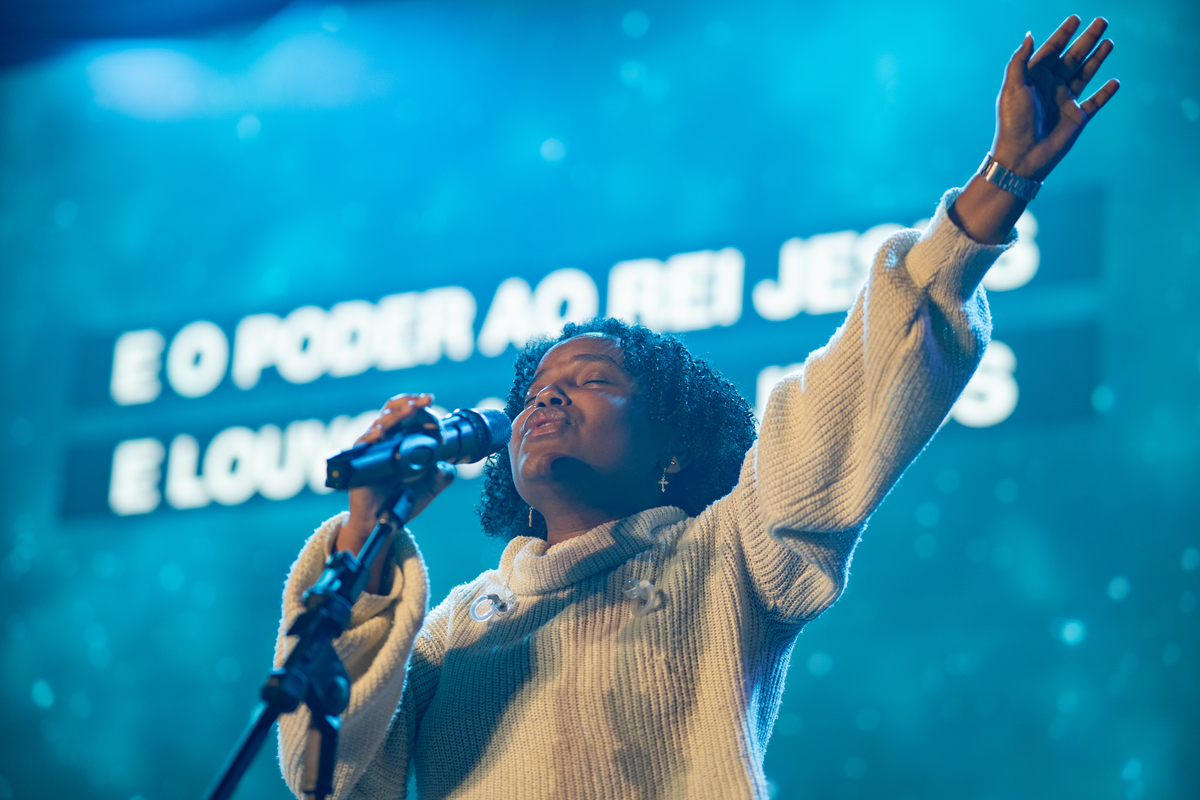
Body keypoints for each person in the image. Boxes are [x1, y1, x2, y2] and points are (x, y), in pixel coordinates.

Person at [274, 16, 1118, 799]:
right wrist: (366, 531)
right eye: (534, 393)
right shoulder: (455, 631)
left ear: (670, 450)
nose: (548, 396)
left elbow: (856, 385)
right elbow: (324, 770)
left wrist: (1002, 181)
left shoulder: (729, 556)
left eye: (592, 379)